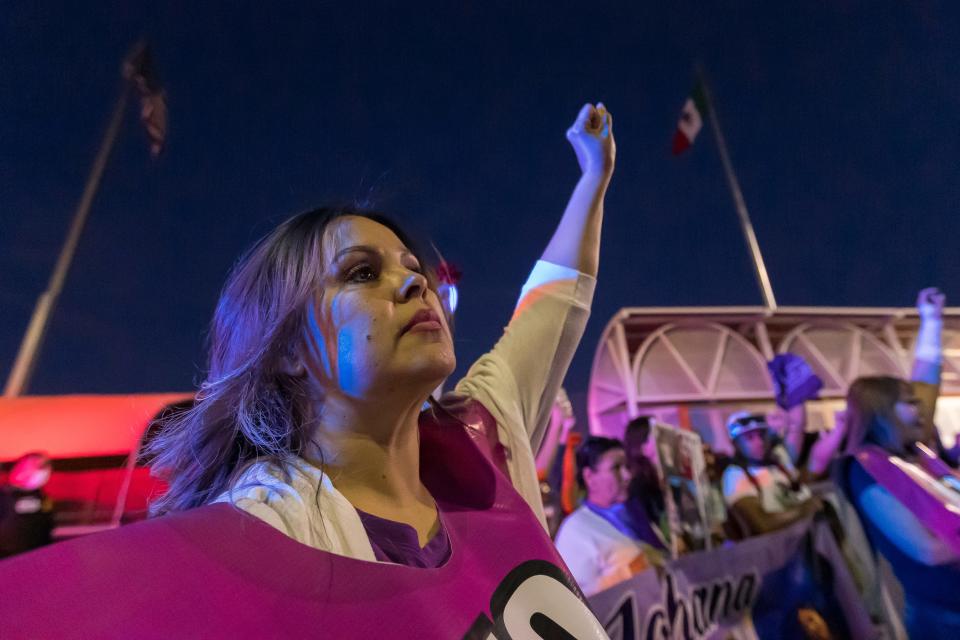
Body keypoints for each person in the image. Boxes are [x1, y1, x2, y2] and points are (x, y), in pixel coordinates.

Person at [0, 103, 616, 638]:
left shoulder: (486, 446)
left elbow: (553, 308)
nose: (413, 281)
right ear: (289, 349)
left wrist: (593, 176)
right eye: (361, 273)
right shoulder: (261, 538)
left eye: (411, 267)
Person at [840, 289, 960, 638]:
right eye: (909, 403)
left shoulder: (919, 456)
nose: (921, 407)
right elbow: (929, 550)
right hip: (944, 620)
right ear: (881, 414)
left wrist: (932, 323)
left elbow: (925, 383)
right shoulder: (865, 470)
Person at [554, 436, 664, 597]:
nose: (627, 475)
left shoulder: (634, 514)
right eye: (616, 468)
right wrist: (627, 572)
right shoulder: (575, 529)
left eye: (626, 466)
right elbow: (570, 599)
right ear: (589, 476)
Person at [721, 411, 822, 537]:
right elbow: (763, 524)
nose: (759, 442)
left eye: (761, 435)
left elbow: (807, 477)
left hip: (810, 537)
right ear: (736, 444)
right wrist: (804, 510)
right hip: (783, 548)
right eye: (750, 438)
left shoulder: (778, 462)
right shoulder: (735, 475)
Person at [0, 452, 54, 559]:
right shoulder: (4, 496)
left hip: (35, 559)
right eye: (25, 467)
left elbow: (47, 527)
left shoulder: (43, 499)